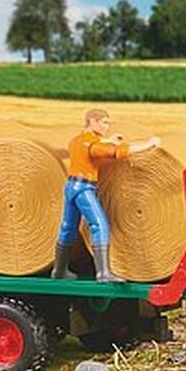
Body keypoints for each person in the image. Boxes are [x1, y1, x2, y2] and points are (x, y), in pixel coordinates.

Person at [53, 108, 160, 282]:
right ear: (93, 121)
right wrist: (150, 144)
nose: (107, 126)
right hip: (84, 189)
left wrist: (107, 139)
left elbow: (91, 144)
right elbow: (118, 152)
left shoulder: (76, 141)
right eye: (104, 122)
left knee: (67, 228)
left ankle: (59, 270)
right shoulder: (94, 146)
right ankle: (103, 273)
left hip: (71, 186)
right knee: (99, 225)